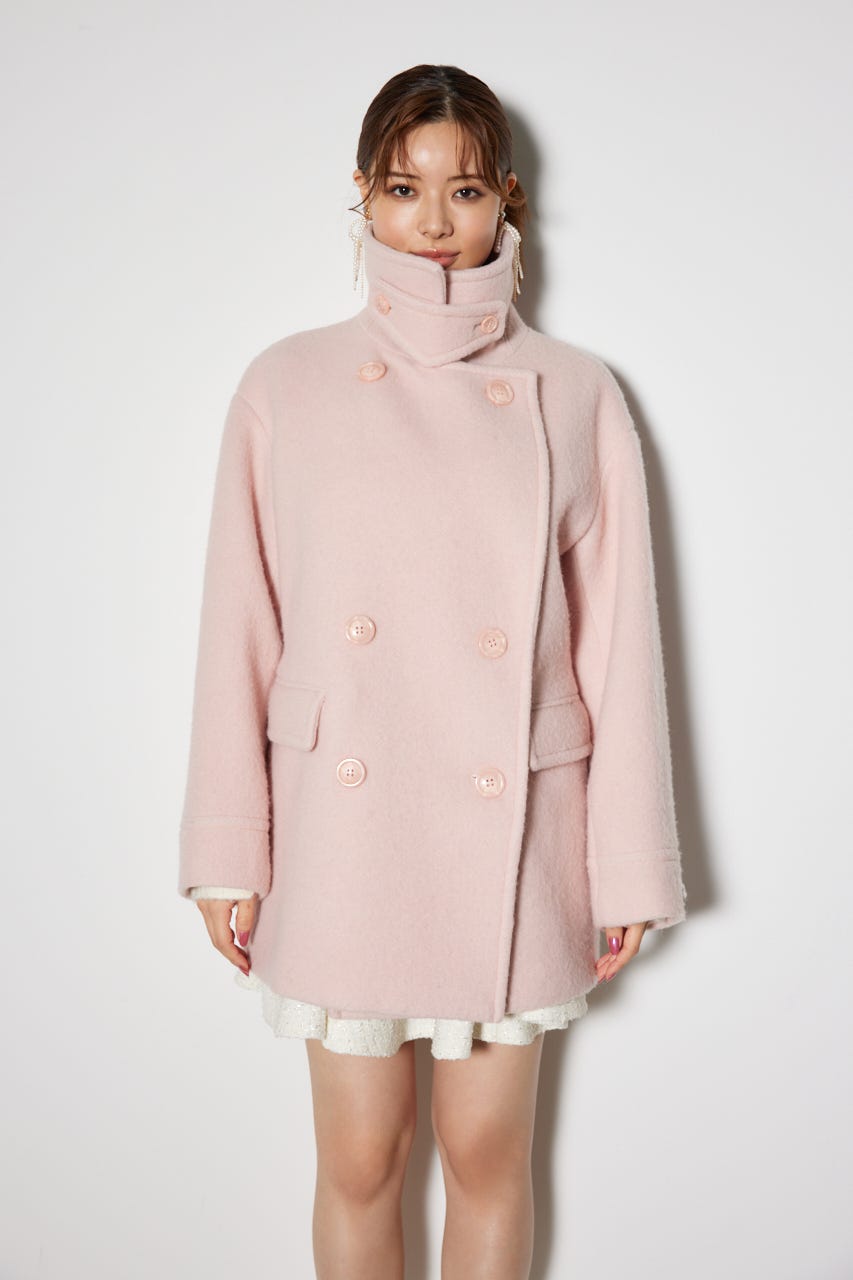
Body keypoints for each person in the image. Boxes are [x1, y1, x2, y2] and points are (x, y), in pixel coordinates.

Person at [178, 63, 687, 1280]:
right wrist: (227, 846)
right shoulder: (285, 383)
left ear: (506, 198)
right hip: (340, 828)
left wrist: (625, 859)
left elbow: (619, 644)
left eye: (462, 189)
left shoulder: (574, 391)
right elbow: (239, 622)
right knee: (361, 1159)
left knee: (487, 1156)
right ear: (362, 194)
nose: (433, 220)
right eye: (404, 189)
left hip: (517, 829)